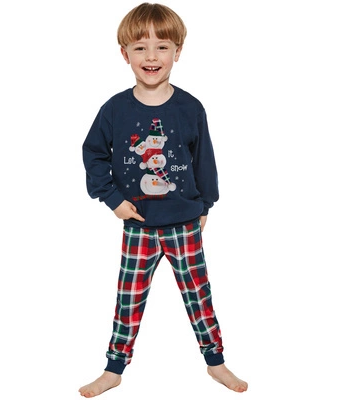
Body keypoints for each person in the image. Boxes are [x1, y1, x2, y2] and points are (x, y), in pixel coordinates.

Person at [79, 3, 248, 397]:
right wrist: (112, 199)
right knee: (129, 298)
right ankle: (114, 368)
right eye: (140, 48)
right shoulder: (114, 110)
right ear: (125, 54)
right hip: (138, 225)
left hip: (184, 223)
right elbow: (93, 154)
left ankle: (215, 362)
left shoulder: (190, 108)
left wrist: (206, 203)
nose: (151, 56)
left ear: (177, 52)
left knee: (198, 295)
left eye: (162, 47)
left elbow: (204, 159)